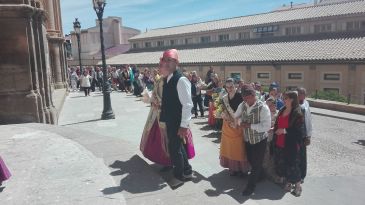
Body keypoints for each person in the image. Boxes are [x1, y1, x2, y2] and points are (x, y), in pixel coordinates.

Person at [159, 49, 193, 189]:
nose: (166, 63)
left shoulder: (181, 80)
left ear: (176, 63)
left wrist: (184, 125)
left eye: (170, 60)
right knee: (177, 146)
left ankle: (178, 177)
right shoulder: (168, 78)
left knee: (175, 149)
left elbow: (187, 104)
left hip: (178, 122)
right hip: (171, 119)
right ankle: (187, 170)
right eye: (165, 60)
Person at [234, 85, 271, 196]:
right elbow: (236, 116)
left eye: (247, 98)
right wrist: (240, 122)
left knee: (256, 164)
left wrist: (250, 126)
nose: (245, 101)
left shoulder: (263, 107)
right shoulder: (243, 105)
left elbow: (267, 126)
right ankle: (261, 175)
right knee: (251, 160)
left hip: (260, 140)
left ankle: (250, 187)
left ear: (253, 95)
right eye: (244, 98)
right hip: (248, 139)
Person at [273, 91, 305, 197]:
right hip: (280, 142)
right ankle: (288, 182)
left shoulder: (297, 113)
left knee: (293, 166)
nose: (283, 99)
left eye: (285, 98)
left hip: (291, 144)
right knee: (283, 164)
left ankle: (298, 186)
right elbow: (278, 124)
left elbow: (299, 132)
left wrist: (284, 131)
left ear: (291, 99)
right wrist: (274, 129)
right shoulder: (282, 110)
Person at [220, 78, 249, 176]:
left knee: (239, 147)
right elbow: (223, 109)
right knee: (229, 147)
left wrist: (237, 122)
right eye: (227, 87)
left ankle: (241, 169)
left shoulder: (240, 96)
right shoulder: (224, 97)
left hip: (238, 125)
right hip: (228, 125)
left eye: (231, 86)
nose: (229, 89)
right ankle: (232, 167)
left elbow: (245, 111)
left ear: (235, 86)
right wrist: (223, 114)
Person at [297, 87, 313, 183]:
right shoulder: (293, 103)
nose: (302, 95)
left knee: (302, 156)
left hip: (303, 134)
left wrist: (309, 135)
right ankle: (294, 174)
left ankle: (302, 175)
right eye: (301, 93)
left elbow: (309, 120)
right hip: (295, 134)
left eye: (304, 93)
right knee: (295, 156)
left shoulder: (306, 103)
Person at [262, 97, 279, 181]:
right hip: (266, 138)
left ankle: (271, 173)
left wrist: (273, 128)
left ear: (274, 105)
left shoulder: (278, 113)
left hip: (274, 138)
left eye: (271, 105)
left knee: (272, 156)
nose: (269, 107)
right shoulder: (265, 113)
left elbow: (280, 125)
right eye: (267, 105)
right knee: (265, 156)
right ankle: (265, 173)